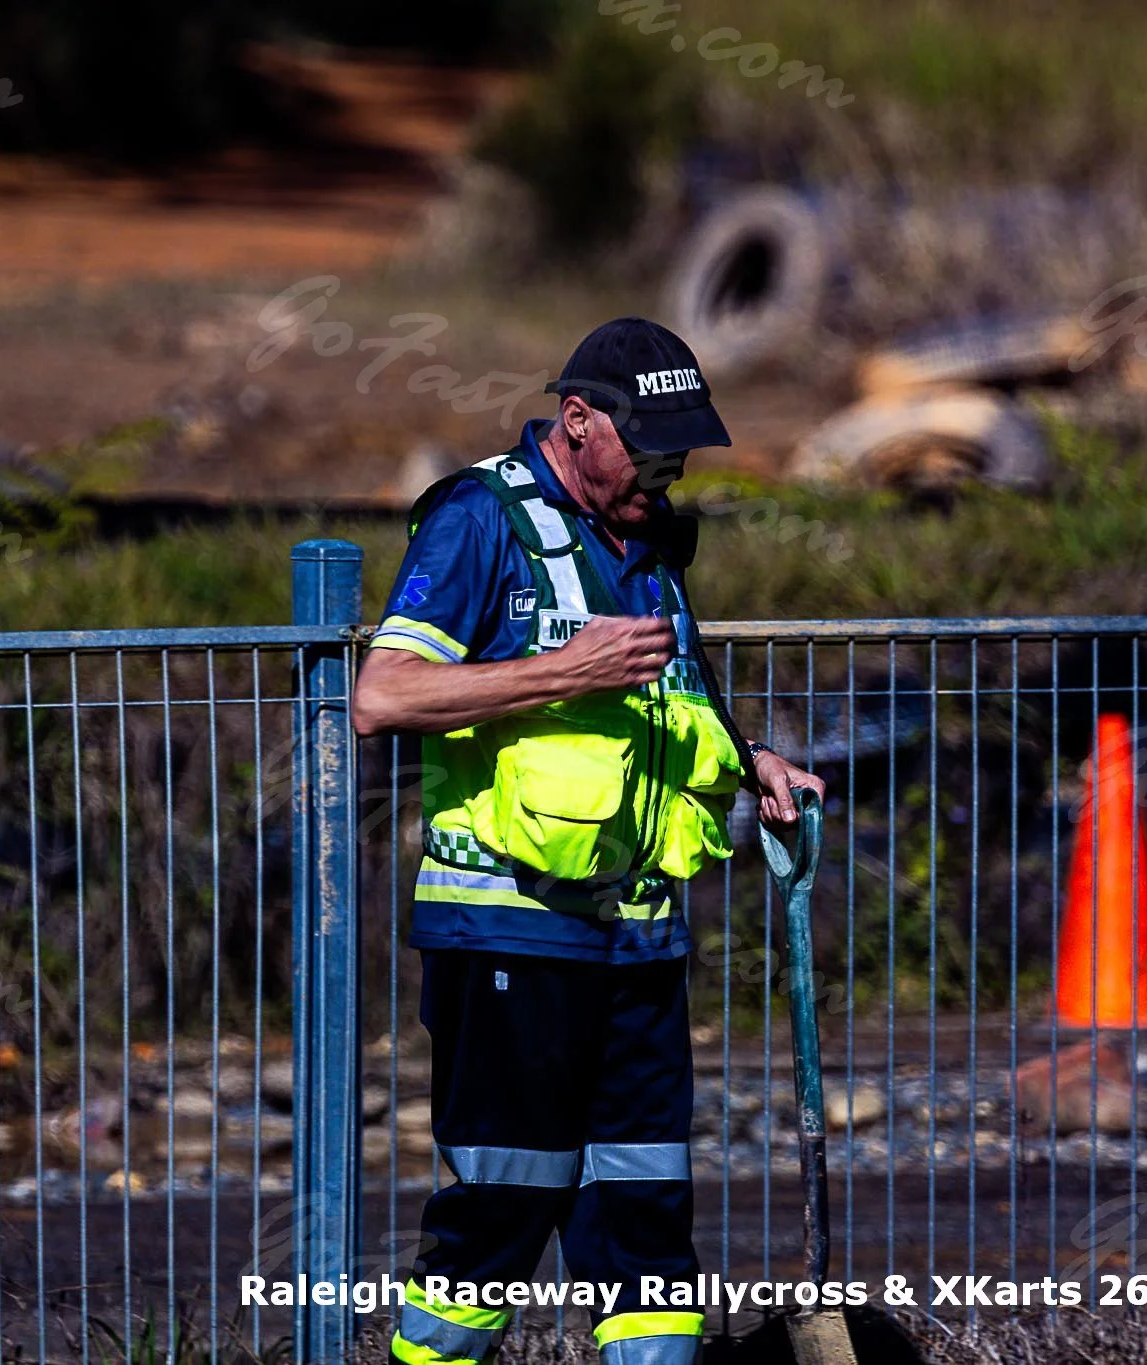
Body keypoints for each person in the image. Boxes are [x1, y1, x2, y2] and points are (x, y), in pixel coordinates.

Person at [352, 316, 824, 1365]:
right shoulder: (479, 520)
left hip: (640, 941)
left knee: (645, 1223)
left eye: (681, 450)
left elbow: (666, 702)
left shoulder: (647, 538)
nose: (667, 469)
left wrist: (751, 761)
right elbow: (383, 696)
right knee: (501, 1215)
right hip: (510, 935)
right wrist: (564, 670)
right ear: (577, 421)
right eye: (648, 447)